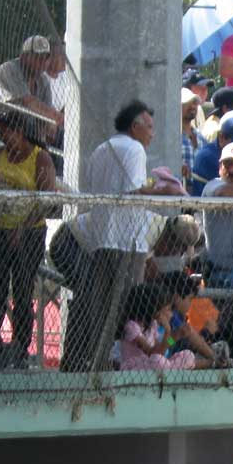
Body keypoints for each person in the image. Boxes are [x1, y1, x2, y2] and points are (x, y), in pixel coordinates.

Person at [62, 100, 162, 373]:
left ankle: (92, 361)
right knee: (126, 309)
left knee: (100, 306)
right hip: (126, 241)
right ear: (135, 127)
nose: (152, 134)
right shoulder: (135, 149)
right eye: (149, 127)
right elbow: (133, 191)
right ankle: (119, 364)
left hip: (100, 238)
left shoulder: (100, 149)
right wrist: (162, 189)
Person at [0, 111, 55, 361]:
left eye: (7, 132)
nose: (3, 138)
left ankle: (20, 346)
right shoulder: (0, 153)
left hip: (28, 233)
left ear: (21, 133)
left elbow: (47, 199)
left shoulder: (39, 158)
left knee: (22, 290)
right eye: (1, 133)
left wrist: (22, 228)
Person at [0, 35, 61, 145]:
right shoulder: (9, 69)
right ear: (24, 56)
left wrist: (51, 127)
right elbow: (28, 103)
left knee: (60, 136)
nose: (42, 61)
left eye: (46, 58)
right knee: (23, 123)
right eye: (38, 57)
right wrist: (58, 118)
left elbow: (45, 118)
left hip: (21, 132)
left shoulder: (44, 81)